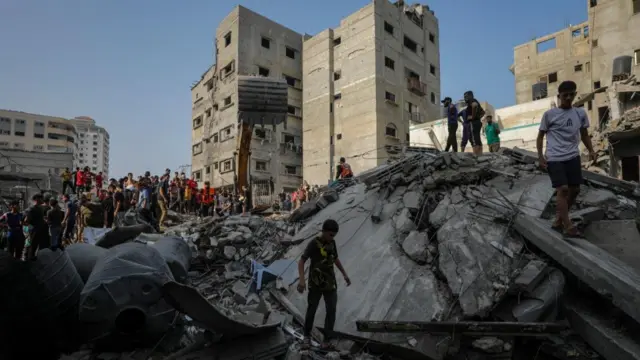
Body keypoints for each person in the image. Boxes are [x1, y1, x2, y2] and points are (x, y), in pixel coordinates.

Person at [537, 80, 596, 237]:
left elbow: (584, 134)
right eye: (565, 95)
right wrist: (541, 156)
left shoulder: (580, 113)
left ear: (575, 94)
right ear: (559, 96)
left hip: (572, 156)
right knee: (562, 189)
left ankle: (558, 220)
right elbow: (540, 135)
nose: (568, 97)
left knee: (575, 190)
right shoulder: (549, 115)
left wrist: (591, 150)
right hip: (555, 157)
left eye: (571, 94)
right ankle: (568, 226)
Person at [297, 219, 351, 348]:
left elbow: (335, 258)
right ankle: (306, 336)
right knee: (312, 310)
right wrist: (302, 280)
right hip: (315, 283)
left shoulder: (332, 243)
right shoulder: (314, 244)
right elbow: (301, 261)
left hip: (330, 283)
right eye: (330, 235)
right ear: (324, 231)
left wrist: (344, 274)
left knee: (331, 310)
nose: (332, 237)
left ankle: (327, 340)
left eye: (334, 235)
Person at [24, 194, 49, 260]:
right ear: (37, 199)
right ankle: (29, 260)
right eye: (41, 198)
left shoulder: (40, 208)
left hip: (40, 230)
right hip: (34, 230)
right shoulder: (32, 209)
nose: (43, 200)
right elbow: (26, 220)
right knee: (32, 246)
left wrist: (44, 221)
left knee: (39, 246)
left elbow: (40, 218)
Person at [463, 90, 486, 155]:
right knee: (477, 139)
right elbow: (483, 112)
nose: (465, 98)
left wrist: (473, 117)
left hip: (473, 123)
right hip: (477, 122)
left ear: (471, 96)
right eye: (464, 97)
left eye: (466, 96)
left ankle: (476, 155)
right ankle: (480, 154)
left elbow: (474, 105)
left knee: (474, 140)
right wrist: (478, 117)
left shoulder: (472, 101)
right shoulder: (476, 101)